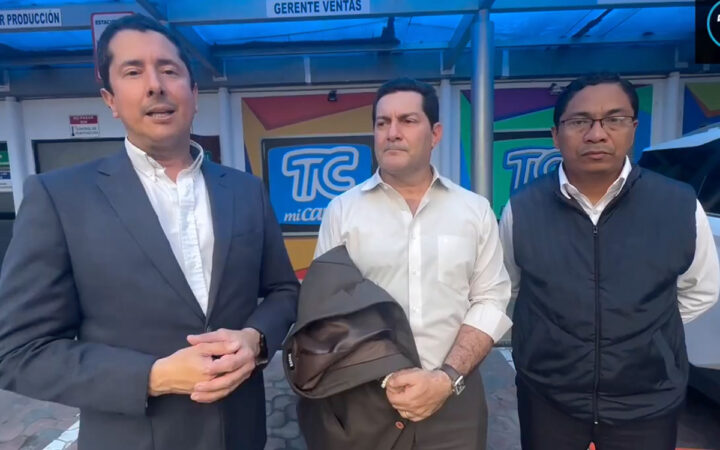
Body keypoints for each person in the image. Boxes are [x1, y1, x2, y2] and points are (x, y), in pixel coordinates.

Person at [0, 14, 298, 450]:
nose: (156, 85)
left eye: (169, 70)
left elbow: (283, 292)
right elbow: (20, 351)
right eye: (133, 72)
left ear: (194, 94)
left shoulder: (245, 190)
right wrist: (153, 377)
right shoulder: (60, 198)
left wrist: (256, 339)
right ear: (110, 99)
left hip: (241, 433)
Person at [499, 73, 720, 450]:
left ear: (633, 128)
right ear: (555, 135)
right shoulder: (522, 208)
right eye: (579, 121)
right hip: (548, 397)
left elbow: (701, 290)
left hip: (647, 399)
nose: (596, 134)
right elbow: (511, 289)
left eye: (614, 119)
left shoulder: (679, 204)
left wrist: (643, 331)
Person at [314, 77, 512, 449]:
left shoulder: (473, 210)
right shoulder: (342, 211)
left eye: (407, 120)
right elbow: (326, 310)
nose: (392, 132)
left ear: (435, 134)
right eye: (382, 122)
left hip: (455, 397)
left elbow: (490, 299)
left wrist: (445, 378)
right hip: (366, 399)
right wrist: (385, 376)